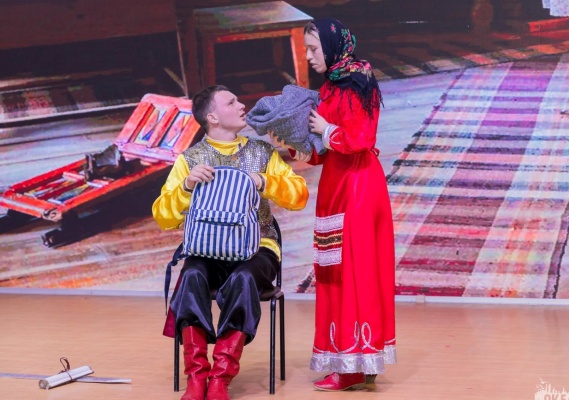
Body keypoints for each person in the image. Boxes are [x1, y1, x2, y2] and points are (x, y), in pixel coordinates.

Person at [152, 85, 309, 400]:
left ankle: (221, 377)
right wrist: (186, 186)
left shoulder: (261, 153)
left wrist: (265, 181)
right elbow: (163, 216)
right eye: (231, 102)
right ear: (212, 116)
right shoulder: (190, 159)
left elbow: (299, 196)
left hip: (258, 248)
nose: (242, 106)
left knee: (244, 278)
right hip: (208, 249)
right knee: (191, 275)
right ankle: (197, 376)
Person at [273, 18, 397, 391]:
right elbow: (324, 150)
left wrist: (324, 129)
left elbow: (361, 138)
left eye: (313, 49)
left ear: (331, 46)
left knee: (355, 270)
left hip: (358, 186)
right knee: (336, 270)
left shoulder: (358, 82)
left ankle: (354, 365)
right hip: (338, 184)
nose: (309, 57)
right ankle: (355, 360)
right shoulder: (330, 87)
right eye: (307, 50)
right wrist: (295, 144)